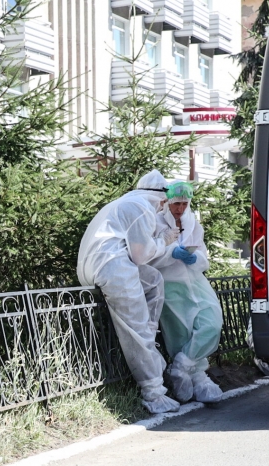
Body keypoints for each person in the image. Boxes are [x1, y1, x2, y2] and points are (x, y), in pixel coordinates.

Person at [77, 170, 192, 414]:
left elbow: (141, 262)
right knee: (136, 331)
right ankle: (153, 394)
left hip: (100, 263)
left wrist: (159, 239)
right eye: (164, 204)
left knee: (153, 281)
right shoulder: (142, 208)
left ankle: (150, 337)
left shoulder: (127, 202)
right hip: (113, 266)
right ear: (160, 199)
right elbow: (140, 255)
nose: (164, 209)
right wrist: (164, 240)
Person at [153, 181, 224, 403]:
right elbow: (148, 256)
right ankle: (198, 379)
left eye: (184, 203)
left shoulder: (193, 224)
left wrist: (195, 258)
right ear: (167, 203)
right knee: (180, 333)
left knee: (212, 322)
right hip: (170, 283)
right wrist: (171, 253)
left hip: (195, 281)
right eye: (176, 204)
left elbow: (203, 258)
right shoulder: (155, 223)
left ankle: (181, 368)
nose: (180, 208)